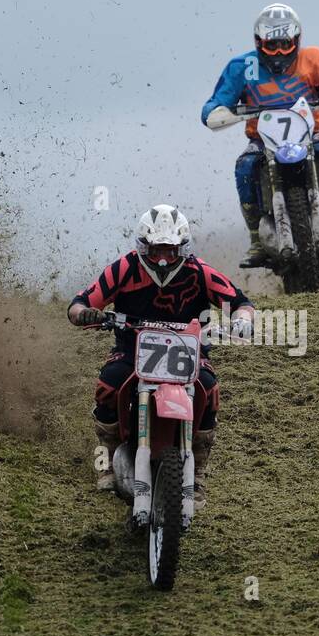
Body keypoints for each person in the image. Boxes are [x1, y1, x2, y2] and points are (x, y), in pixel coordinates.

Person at [67, 205, 254, 508]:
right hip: (132, 350)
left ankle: (198, 472)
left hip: (188, 354)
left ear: (182, 247)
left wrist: (242, 320)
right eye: (156, 250)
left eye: (170, 250)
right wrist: (87, 314)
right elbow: (80, 302)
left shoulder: (200, 272)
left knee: (209, 388)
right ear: (144, 246)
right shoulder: (124, 269)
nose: (164, 259)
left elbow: (240, 301)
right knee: (109, 383)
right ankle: (108, 456)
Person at [201, 3, 319, 265]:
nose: (278, 52)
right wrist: (217, 111)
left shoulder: (314, 59)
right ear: (258, 41)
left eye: (285, 44)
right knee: (244, 165)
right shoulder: (242, 66)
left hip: (309, 136)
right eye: (271, 45)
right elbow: (216, 100)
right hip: (262, 140)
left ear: (296, 40)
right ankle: (256, 237)